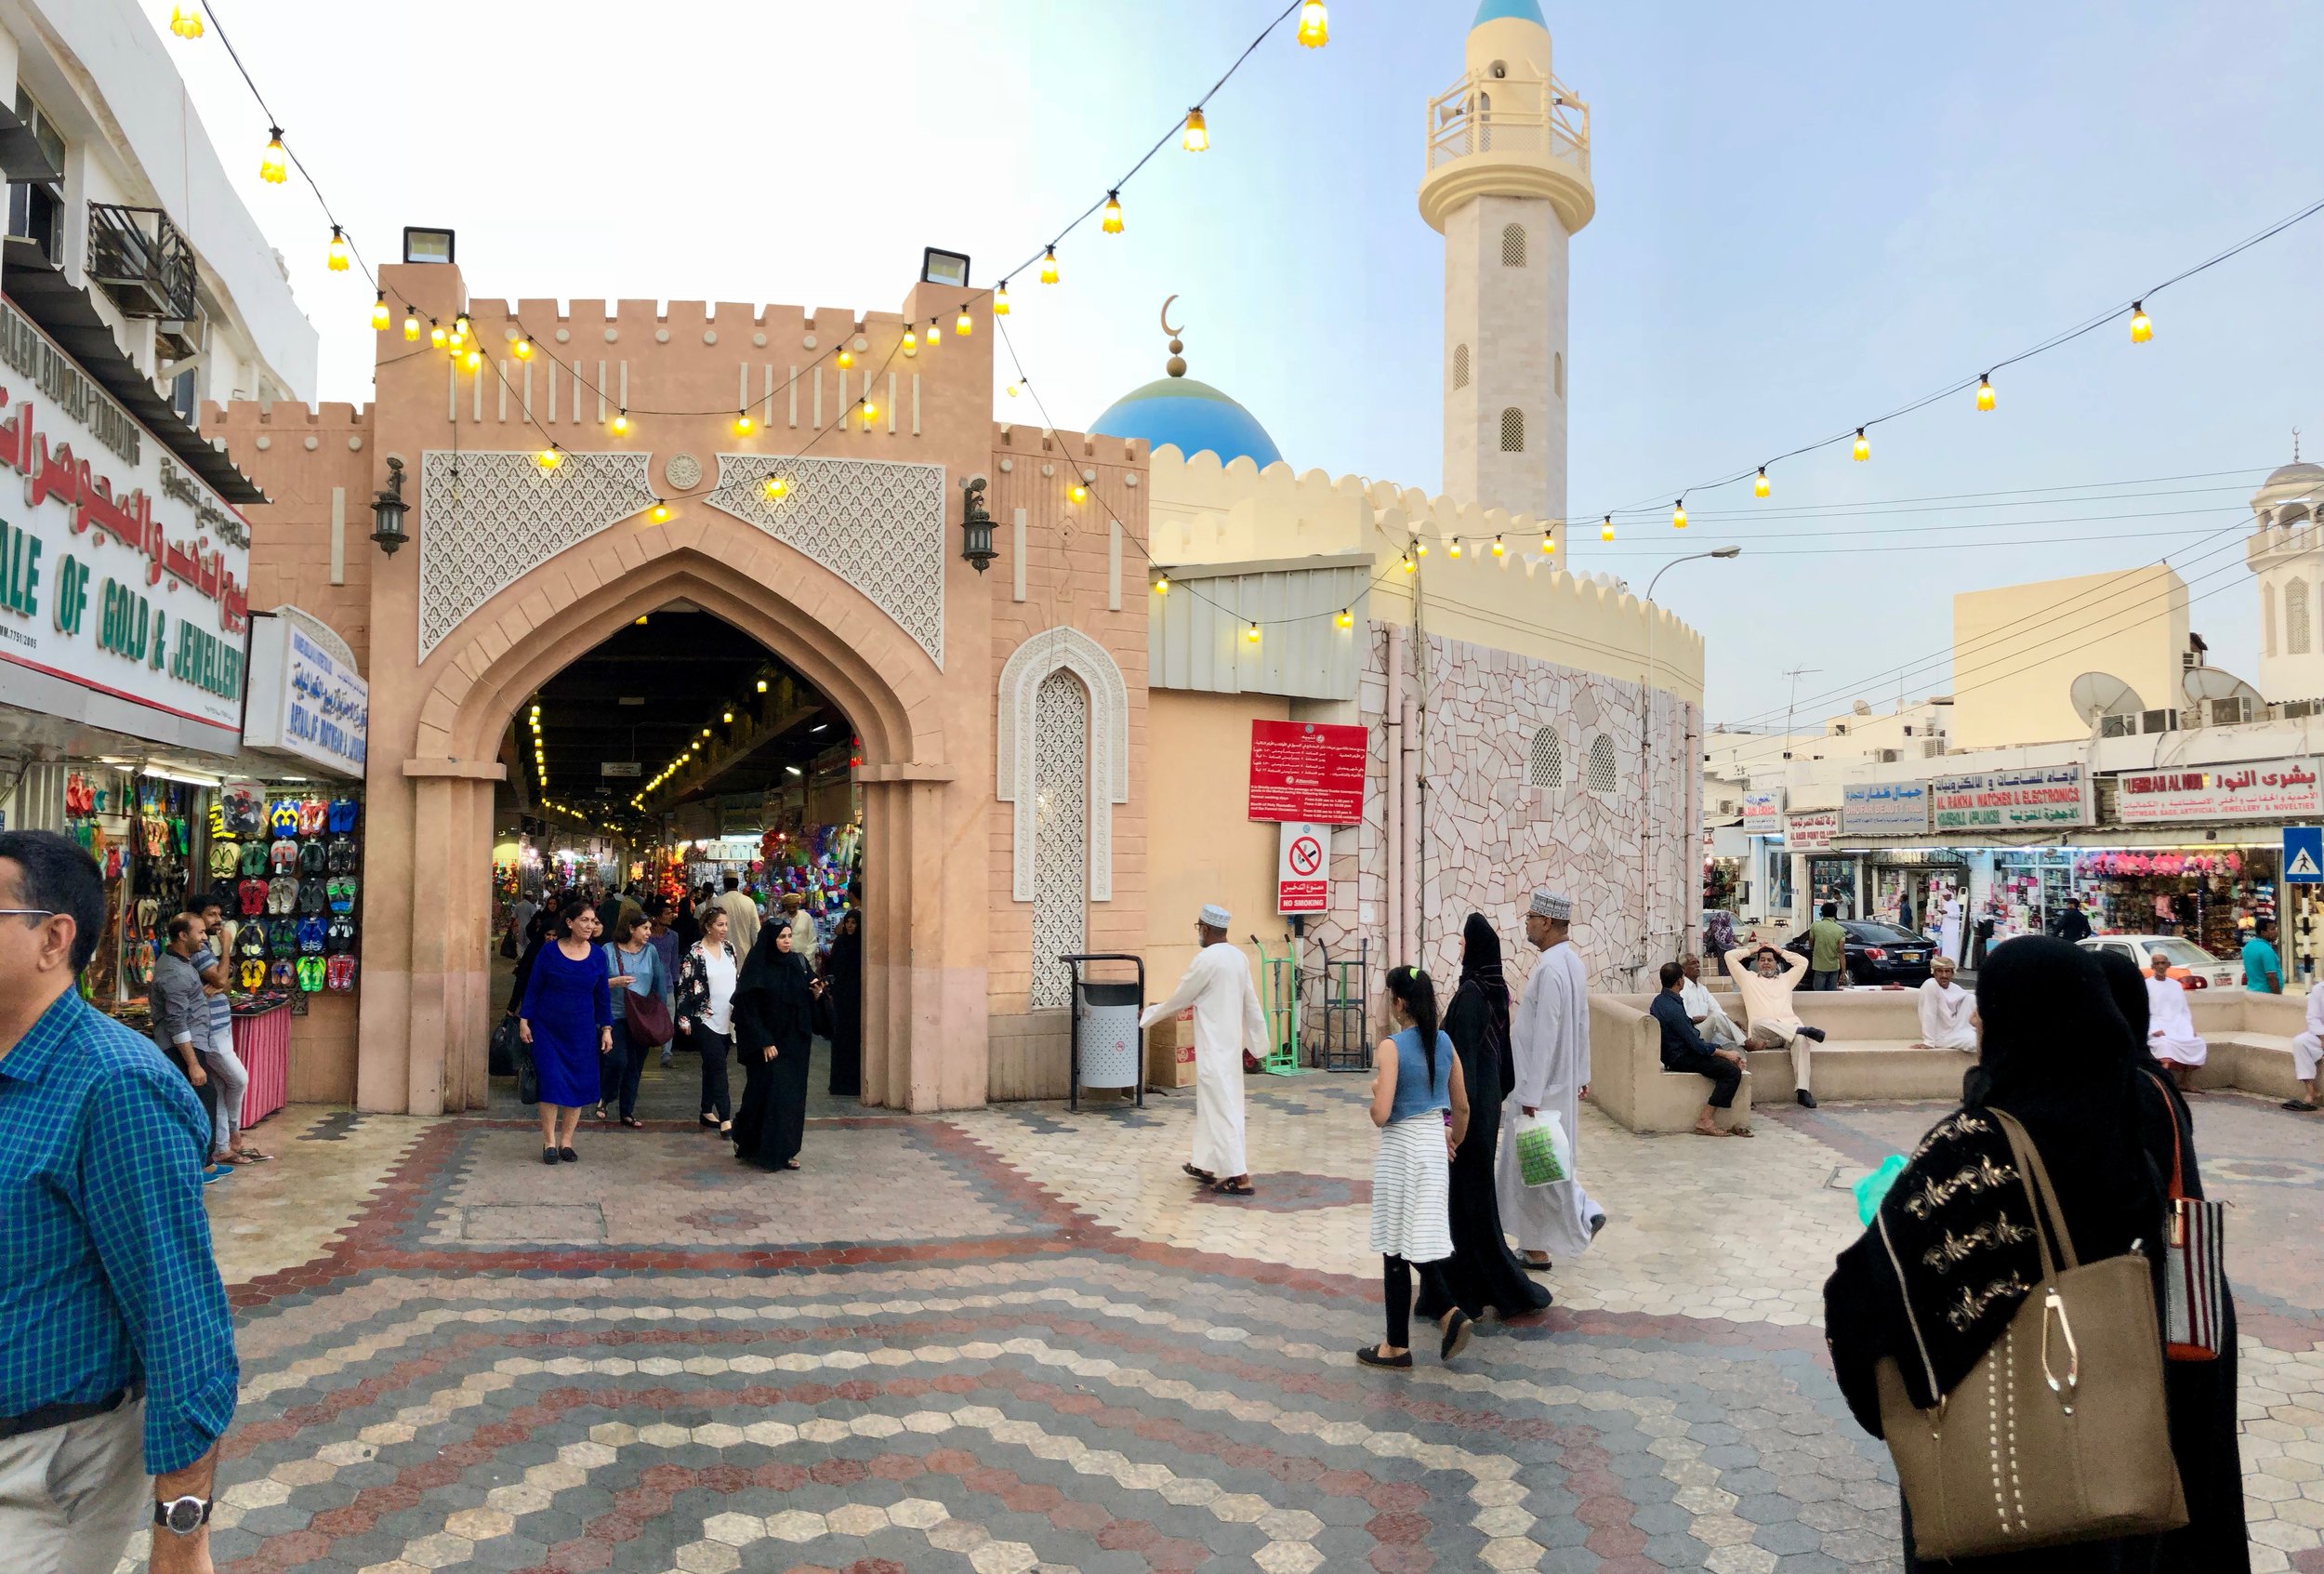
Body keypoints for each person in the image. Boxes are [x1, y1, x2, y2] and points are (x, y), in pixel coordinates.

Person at [1824, 937, 2173, 1573]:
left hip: (1995, 1488)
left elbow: (1859, 1300)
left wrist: (1905, 1411)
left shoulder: (1980, 1151)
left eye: (1990, 1005)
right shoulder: (2127, 1155)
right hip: (2108, 1478)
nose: (1978, 1019)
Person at [0, 830, 238, 1574]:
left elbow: (181, 1321)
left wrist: (182, 1535)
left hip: (48, 1473)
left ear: (53, 939)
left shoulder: (115, 1086)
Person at [2094, 946, 2253, 1572]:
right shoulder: (2150, 1078)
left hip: (2165, 1308)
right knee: (2197, 1472)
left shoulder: (2128, 1088)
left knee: (2171, 1470)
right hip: (2195, 1298)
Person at [1416, 915, 1550, 1323]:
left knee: (1466, 1201)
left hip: (1469, 1108)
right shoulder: (1496, 990)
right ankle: (1469, 1286)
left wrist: (1457, 1122)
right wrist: (1489, 1103)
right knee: (1471, 1199)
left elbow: (1464, 1063)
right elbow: (1504, 1063)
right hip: (1485, 1101)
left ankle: (1469, 1292)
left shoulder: (1472, 993)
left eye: (1462, 943)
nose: (1459, 949)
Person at [1359, 966, 1476, 1368]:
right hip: (1432, 1146)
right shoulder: (1444, 1042)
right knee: (1417, 1237)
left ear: (1399, 1002)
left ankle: (1406, 1340)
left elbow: (1382, 1113)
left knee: (1396, 1244)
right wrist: (1453, 1140)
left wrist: (1375, 1092)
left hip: (1401, 1149)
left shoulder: (1391, 1047)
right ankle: (1437, 1321)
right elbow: (1461, 1105)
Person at [1496, 890, 1605, 1271]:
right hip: (1559, 1083)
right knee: (1540, 1168)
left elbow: (1546, 1031)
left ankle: (1584, 1212)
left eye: (1530, 917)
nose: (1526, 923)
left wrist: (1530, 1091)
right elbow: (1581, 1024)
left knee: (1541, 1168)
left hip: (1539, 1089)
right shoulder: (1571, 963)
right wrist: (1581, 1073)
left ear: (1546, 922)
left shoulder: (1551, 968)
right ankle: (1535, 1246)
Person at [1139, 903, 1267, 1197]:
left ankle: (1240, 1176)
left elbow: (1180, 997)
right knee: (1215, 1106)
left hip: (1213, 1049)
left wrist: (1150, 1014)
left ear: (1206, 929)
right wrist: (1257, 1043)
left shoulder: (1206, 960)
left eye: (1199, 928)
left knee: (1221, 1109)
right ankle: (1204, 1164)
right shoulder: (1238, 957)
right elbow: (1252, 1003)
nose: (1199, 933)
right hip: (1230, 1048)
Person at [517, 905, 613, 1164]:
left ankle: (566, 1141)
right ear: (569, 923)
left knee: (577, 1083)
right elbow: (534, 986)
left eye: (593, 921)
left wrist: (606, 1028)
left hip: (581, 1030)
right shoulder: (549, 951)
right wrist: (524, 1020)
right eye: (584, 920)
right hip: (547, 1027)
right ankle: (549, 1141)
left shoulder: (597, 956)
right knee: (550, 1082)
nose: (589, 925)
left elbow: (602, 994)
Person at [731, 919, 821, 1171]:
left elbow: (809, 994)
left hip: (795, 1043)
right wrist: (764, 1040)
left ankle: (784, 1151)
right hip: (769, 1045)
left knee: (790, 1098)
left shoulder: (798, 963)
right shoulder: (758, 966)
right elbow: (748, 1007)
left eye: (789, 936)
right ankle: (751, 1142)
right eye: (781, 937)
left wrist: (816, 994)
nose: (787, 941)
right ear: (771, 939)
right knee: (764, 1095)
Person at [188, 897, 264, 1167]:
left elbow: (225, 983)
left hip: (220, 1026)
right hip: (210, 1032)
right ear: (196, 918)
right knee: (238, 1079)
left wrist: (219, 981)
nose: (217, 920)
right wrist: (228, 948)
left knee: (221, 1087)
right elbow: (220, 978)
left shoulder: (207, 947)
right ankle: (234, 1132)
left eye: (219, 913)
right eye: (210, 914)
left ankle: (222, 1147)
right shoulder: (199, 949)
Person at [148, 913, 224, 1179]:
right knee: (200, 1101)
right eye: (200, 932)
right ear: (183, 936)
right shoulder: (174, 972)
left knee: (203, 1099)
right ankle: (200, 1165)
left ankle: (205, 1162)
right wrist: (192, 1064)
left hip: (192, 1043)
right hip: (181, 1048)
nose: (205, 937)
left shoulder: (181, 963)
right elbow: (176, 1022)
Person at [1725, 939, 1829, 1107]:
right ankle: (1802, 1030)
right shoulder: (1747, 979)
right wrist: (1753, 949)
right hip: (1763, 1036)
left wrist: (1779, 950)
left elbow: (1803, 962)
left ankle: (1803, 1091)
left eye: (1770, 960)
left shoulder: (1786, 979)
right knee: (1759, 1023)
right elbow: (1729, 956)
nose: (1766, 963)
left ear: (1776, 963)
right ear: (1757, 963)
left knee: (1801, 1040)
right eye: (1762, 960)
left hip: (1787, 1035)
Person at [1651, 960, 1750, 1137]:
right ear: (1679, 981)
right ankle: (1705, 1120)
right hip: (1680, 1058)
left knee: (1725, 1056)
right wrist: (1725, 1054)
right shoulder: (1673, 1007)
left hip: (1675, 1053)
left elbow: (1686, 1030)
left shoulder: (1660, 1001)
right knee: (1731, 1072)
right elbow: (1695, 1044)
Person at [598, 909, 668, 1128]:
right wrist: (614, 982)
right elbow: (595, 983)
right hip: (614, 1015)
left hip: (642, 1017)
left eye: (650, 928)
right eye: (645, 928)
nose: (649, 933)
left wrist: (661, 1015)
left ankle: (627, 1111)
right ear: (631, 928)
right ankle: (606, 1096)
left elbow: (659, 982)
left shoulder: (651, 952)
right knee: (617, 1060)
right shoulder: (608, 951)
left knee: (636, 1065)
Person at [674, 906, 739, 1133]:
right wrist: (683, 1018)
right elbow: (684, 987)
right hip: (705, 1017)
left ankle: (705, 1109)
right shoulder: (695, 952)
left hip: (728, 1018)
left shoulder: (730, 949)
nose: (724, 929)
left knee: (711, 1066)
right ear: (708, 927)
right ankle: (725, 1117)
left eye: (726, 924)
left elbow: (736, 978)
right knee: (718, 1065)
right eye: (720, 925)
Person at [2143, 952, 2207, 1090]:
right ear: (2152, 966)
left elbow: (2183, 1010)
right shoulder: (2146, 985)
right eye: (2157, 963)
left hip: (2178, 1026)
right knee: (2165, 1045)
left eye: (2163, 963)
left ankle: (2185, 1082)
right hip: (2156, 1028)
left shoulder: (2175, 985)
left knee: (2196, 1042)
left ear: (2168, 965)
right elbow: (2145, 1011)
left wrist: (2189, 1029)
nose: (2160, 966)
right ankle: (2164, 1084)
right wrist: (2154, 1029)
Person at [822, 907, 865, 1098]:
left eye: (854, 922)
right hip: (841, 997)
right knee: (841, 1039)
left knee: (854, 1039)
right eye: (848, 922)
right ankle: (840, 1084)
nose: (849, 925)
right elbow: (834, 968)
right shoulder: (840, 943)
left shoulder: (862, 944)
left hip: (856, 998)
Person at [1676, 953, 1744, 1048]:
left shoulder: (1702, 989)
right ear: (1683, 969)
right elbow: (1684, 1018)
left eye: (1698, 963)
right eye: (1693, 963)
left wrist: (1732, 1022)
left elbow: (1717, 1010)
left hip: (1707, 1032)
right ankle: (1746, 1043)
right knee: (1715, 1018)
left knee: (1734, 1046)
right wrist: (1704, 1018)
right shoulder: (1682, 989)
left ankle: (1743, 1052)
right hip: (1692, 1034)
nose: (1697, 966)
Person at [645, 898, 681, 1068]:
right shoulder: (647, 936)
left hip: (667, 983)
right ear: (657, 916)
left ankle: (667, 1053)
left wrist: (676, 980)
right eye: (667, 913)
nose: (671, 916)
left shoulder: (673, 936)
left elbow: (674, 961)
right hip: (647, 984)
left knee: (669, 1019)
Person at [1914, 955, 1976, 1051]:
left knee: (1971, 998)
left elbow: (1970, 1010)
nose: (1944, 975)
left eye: (1947, 971)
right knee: (1974, 1042)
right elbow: (1928, 1013)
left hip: (1957, 1031)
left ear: (1952, 973)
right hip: (1940, 1037)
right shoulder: (1930, 985)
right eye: (1940, 971)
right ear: (1934, 973)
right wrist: (1929, 1042)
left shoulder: (1956, 989)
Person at [2291, 972, 2324, 1113]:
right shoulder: (2319, 990)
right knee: (2300, 1042)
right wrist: (2322, 1037)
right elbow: (2313, 1017)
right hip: (2321, 1034)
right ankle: (2311, 1091)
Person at [714, 872, 760, 959]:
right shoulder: (748, 902)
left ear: (724, 885)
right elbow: (756, 931)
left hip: (722, 953)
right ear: (738, 884)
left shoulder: (716, 902)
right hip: (746, 954)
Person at [1805, 903, 1848, 991]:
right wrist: (1843, 972)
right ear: (1835, 914)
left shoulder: (1815, 926)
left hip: (1819, 965)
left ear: (1822, 913)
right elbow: (1841, 951)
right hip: (1834, 966)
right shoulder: (1840, 930)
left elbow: (1810, 944)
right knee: (1831, 994)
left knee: (1819, 993)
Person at [2244, 917, 2283, 994]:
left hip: (2251, 992)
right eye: (2272, 929)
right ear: (2263, 932)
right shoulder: (2266, 950)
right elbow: (2271, 977)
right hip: (2266, 995)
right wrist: (2278, 998)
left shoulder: (2248, 947)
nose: (2276, 932)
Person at [1702, 910, 1737, 974]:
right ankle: (1722, 978)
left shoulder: (1728, 926)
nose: (1729, 919)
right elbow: (1709, 937)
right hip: (1718, 951)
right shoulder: (1716, 926)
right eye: (1728, 918)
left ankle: (1724, 978)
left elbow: (1732, 937)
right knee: (1721, 966)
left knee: (1724, 967)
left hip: (1725, 951)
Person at [1937, 887, 1964, 966]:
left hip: (1952, 928)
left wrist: (1947, 913)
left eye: (1945, 896)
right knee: (1946, 945)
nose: (1944, 898)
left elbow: (1957, 915)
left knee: (1952, 945)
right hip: (1946, 928)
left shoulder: (1954, 903)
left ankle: (1953, 961)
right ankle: (1946, 960)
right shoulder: (1946, 903)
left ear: (1949, 896)